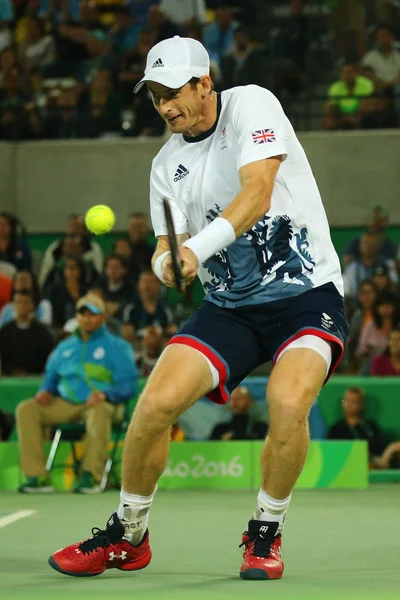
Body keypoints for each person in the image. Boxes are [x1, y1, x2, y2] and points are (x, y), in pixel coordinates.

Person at [49, 35, 349, 581]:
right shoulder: (166, 166)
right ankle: (129, 534)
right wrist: (169, 266)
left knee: (287, 402)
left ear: (204, 82)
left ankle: (265, 532)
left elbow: (258, 190)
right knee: (153, 406)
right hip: (229, 306)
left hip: (305, 296)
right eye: (155, 96)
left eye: (174, 93)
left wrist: (193, 250)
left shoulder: (252, 104)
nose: (165, 107)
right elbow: (168, 248)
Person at [16, 294, 137, 493]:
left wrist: (106, 394)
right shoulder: (65, 347)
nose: (87, 319)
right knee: (27, 409)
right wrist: (45, 391)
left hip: (105, 405)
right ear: (77, 317)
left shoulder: (117, 347)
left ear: (102, 318)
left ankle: (91, 476)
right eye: (83, 314)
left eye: (93, 314)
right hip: (68, 403)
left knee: (99, 410)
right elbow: (51, 377)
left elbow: (128, 385)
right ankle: (37, 477)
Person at [0, 290, 54, 376]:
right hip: (9, 378)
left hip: (35, 378)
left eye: (26, 302)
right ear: (13, 305)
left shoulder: (42, 332)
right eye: (18, 302)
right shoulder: (4, 332)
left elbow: (47, 358)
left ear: (32, 305)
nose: (22, 306)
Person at [327, 387, 383, 465]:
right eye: (347, 401)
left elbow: (379, 452)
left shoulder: (371, 427)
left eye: (354, 402)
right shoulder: (335, 430)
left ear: (361, 405)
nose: (349, 405)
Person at [342, 232, 398, 302]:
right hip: (358, 306)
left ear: (378, 247)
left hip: (382, 304)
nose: (368, 247)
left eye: (372, 244)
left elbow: (394, 287)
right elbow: (348, 292)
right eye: (365, 243)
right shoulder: (352, 267)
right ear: (360, 246)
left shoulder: (388, 264)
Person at [323, 63, 375, 130]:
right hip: (342, 115)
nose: (347, 75)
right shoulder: (335, 87)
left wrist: (354, 116)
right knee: (327, 121)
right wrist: (329, 118)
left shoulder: (366, 83)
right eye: (344, 73)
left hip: (362, 115)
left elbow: (367, 104)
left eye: (349, 72)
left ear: (356, 73)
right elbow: (330, 106)